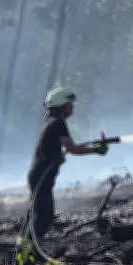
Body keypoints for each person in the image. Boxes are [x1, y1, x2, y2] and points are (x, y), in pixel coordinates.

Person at [26, 87, 109, 241]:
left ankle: (28, 251)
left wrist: (95, 146)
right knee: (43, 218)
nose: (72, 108)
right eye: (70, 104)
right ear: (61, 106)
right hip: (41, 177)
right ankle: (26, 252)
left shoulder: (52, 122)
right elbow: (73, 149)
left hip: (39, 176)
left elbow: (71, 146)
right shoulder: (57, 123)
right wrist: (96, 150)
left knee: (42, 216)